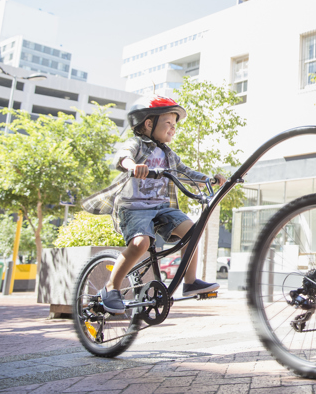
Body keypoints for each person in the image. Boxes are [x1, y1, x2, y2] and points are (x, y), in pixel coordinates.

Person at [82, 95, 227, 314]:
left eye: (175, 125)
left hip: (161, 208)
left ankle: (190, 282)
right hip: (134, 208)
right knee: (141, 243)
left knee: (192, 232)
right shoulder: (137, 144)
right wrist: (133, 166)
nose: (173, 129)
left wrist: (210, 180)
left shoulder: (169, 154)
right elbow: (124, 156)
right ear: (149, 124)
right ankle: (111, 287)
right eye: (168, 123)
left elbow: (185, 173)